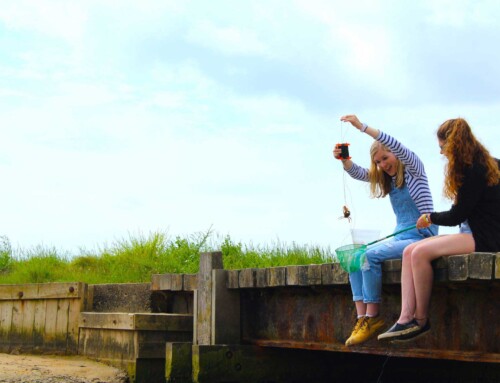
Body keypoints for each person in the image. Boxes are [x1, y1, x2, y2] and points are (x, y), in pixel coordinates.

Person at [377, 118, 500, 342]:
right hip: (478, 233)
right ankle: (405, 318)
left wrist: (429, 217)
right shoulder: (489, 163)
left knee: (420, 252)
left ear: (454, 144)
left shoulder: (473, 171)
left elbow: (457, 216)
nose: (442, 153)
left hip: (485, 238)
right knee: (409, 251)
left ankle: (421, 320)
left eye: (443, 147)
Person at [333, 115, 438, 346]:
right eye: (378, 162)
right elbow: (360, 174)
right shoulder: (387, 179)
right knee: (355, 255)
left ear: (396, 155)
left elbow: (396, 144)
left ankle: (373, 316)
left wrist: (361, 127)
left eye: (385, 158)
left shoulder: (414, 170)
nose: (383, 164)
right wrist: (345, 160)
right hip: (402, 235)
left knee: (369, 255)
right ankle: (361, 318)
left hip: (421, 235)